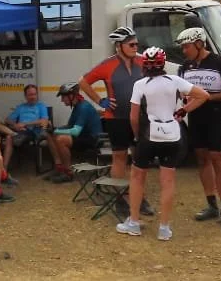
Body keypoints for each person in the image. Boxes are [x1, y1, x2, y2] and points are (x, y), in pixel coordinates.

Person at [116, 47, 209, 241]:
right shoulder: (175, 81)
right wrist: (184, 110)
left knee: (137, 177)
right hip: (173, 136)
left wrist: (136, 136)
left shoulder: (140, 84)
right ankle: (164, 228)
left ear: (144, 65)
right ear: (163, 63)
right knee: (167, 182)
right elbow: (203, 95)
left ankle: (133, 222)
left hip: (149, 137)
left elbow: (133, 117)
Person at [80, 26, 153, 215]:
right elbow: (83, 82)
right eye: (131, 44)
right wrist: (100, 101)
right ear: (119, 46)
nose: (136, 47)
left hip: (139, 117)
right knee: (119, 158)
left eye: (137, 43)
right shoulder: (107, 64)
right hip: (116, 119)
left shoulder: (143, 61)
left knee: (139, 158)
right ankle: (120, 198)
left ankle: (139, 197)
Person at [176, 27, 221, 227]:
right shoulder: (184, 66)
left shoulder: (219, 62)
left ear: (199, 44)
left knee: (219, 160)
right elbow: (181, 91)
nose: (183, 51)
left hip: (215, 117)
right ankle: (211, 205)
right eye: (182, 47)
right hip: (195, 119)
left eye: (186, 46)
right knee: (202, 160)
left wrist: (207, 98)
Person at [44, 83, 103, 184]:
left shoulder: (83, 107)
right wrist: (53, 129)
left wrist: (56, 130)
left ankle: (68, 173)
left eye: (63, 96)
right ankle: (60, 168)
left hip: (93, 139)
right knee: (50, 135)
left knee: (61, 139)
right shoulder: (77, 106)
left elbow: (75, 131)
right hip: (83, 136)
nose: (62, 100)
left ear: (72, 95)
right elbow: (69, 126)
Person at [0, 84, 47, 178]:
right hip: (18, 130)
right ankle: (13, 134)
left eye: (34, 94)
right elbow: (8, 119)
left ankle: (3, 169)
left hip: (30, 131)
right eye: (30, 95)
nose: (33, 97)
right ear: (26, 96)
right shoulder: (21, 107)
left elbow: (44, 121)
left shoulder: (41, 106)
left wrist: (25, 124)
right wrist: (15, 125)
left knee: (9, 138)